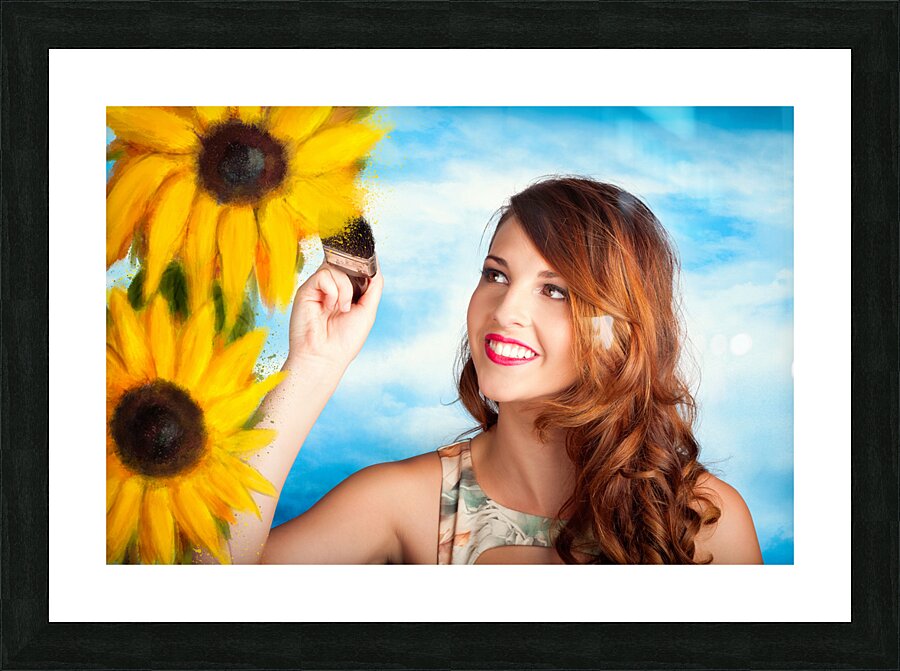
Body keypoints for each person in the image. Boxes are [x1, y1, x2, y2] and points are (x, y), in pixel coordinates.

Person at [216, 176, 763, 565]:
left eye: (555, 290)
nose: (505, 312)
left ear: (620, 329)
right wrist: (313, 367)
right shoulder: (404, 503)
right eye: (496, 276)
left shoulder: (707, 523)